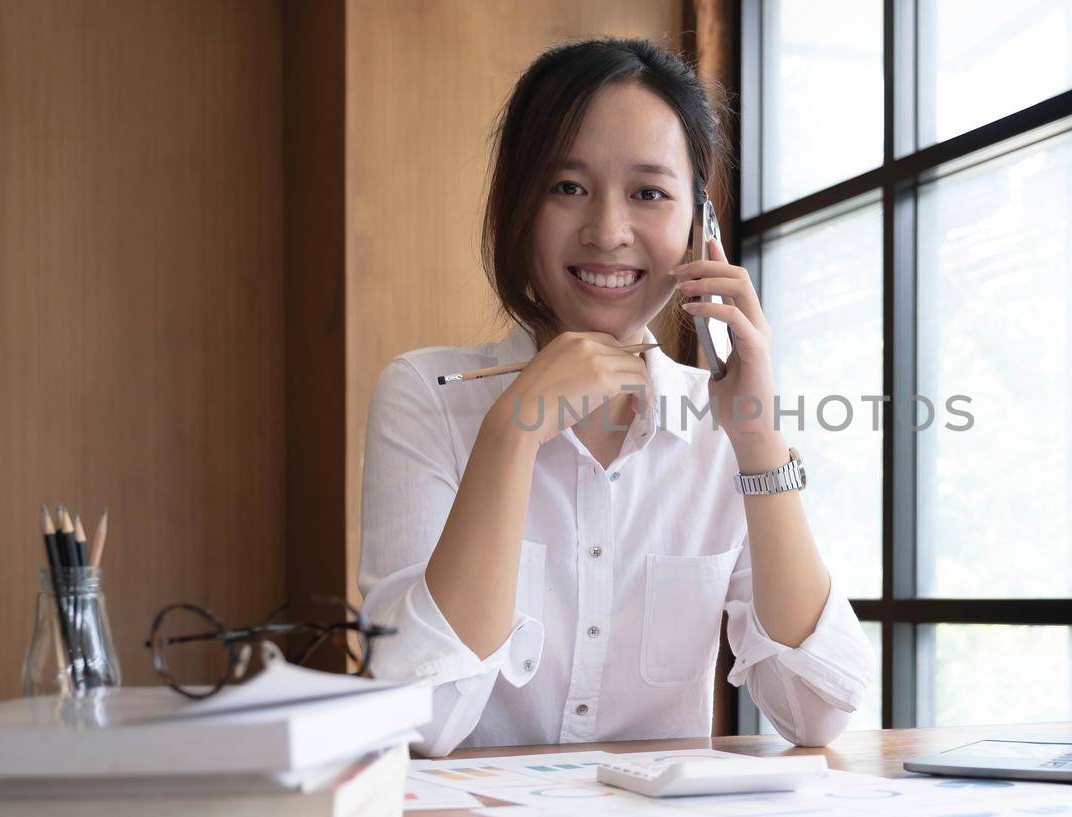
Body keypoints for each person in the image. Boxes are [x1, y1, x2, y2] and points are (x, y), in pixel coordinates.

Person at [358, 37, 875, 757]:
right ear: (518, 204)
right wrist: (512, 433)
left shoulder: (719, 423)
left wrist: (757, 437)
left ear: (701, 228)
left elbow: (820, 709)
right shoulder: (426, 396)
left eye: (649, 193)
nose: (607, 231)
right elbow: (418, 718)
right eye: (567, 186)